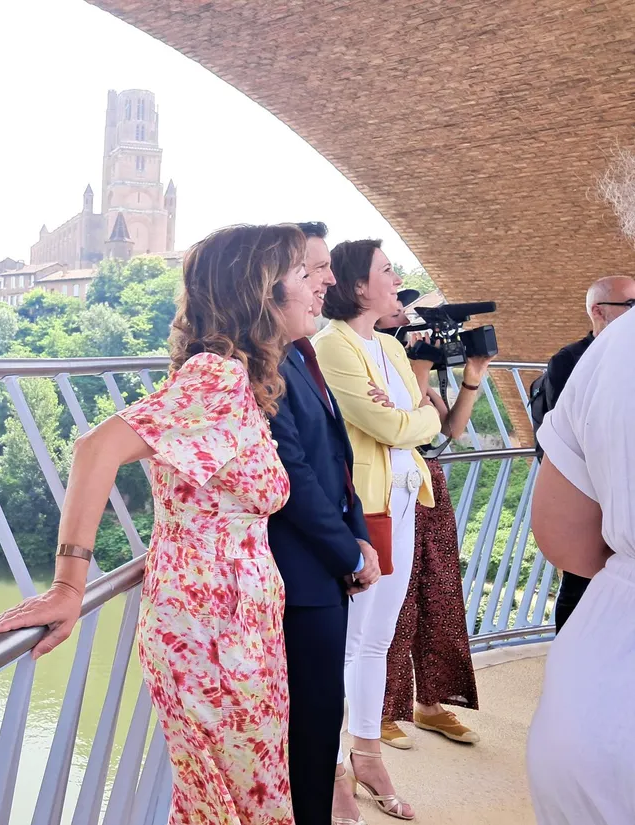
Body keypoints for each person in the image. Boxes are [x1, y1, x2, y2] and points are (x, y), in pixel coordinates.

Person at [0, 223, 312, 825]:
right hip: (212, 633)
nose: (319, 286)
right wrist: (69, 586)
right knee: (242, 806)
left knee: (229, 803)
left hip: (230, 624)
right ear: (260, 291)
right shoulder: (216, 378)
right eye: (303, 274)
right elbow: (97, 448)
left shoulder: (234, 381)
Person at [314, 240, 442, 823]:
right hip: (364, 510)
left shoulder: (389, 345)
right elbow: (392, 424)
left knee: (378, 641)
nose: (397, 279)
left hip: (404, 500)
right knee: (347, 643)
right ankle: (333, 768)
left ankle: (367, 754)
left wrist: (412, 416)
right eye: (386, 271)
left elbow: (413, 420)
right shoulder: (330, 346)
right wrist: (416, 416)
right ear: (358, 286)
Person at [268, 220, 380, 825]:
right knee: (305, 733)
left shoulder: (299, 352)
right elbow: (295, 476)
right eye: (312, 269)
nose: (328, 281)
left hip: (322, 570)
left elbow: (336, 459)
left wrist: (358, 534)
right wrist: (350, 554)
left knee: (317, 725)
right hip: (298, 577)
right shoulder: (258, 367)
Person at [526, 307, 635, 825]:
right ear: (599, 310)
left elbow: (566, 534)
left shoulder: (615, 347)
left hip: (597, 697)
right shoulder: (571, 356)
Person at [372, 296, 493, 749]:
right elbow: (408, 426)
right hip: (391, 488)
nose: (408, 318)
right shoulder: (373, 368)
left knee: (438, 592)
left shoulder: (409, 367)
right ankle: (383, 708)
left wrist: (472, 376)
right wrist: (418, 367)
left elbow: (449, 431)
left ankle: (431, 703)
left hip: (429, 486)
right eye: (398, 309)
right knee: (396, 600)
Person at [529, 275, 635, 633]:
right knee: (580, 583)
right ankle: (570, 638)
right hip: (592, 497)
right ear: (598, 311)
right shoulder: (571, 360)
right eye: (631, 304)